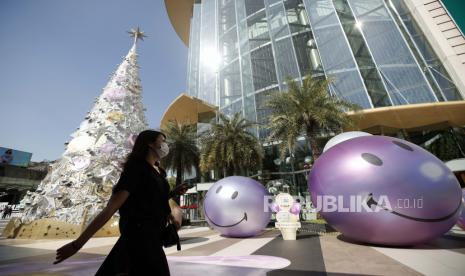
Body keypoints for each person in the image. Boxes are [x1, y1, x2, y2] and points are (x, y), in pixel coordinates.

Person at [54, 130, 185, 275]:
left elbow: (149, 200)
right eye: (162, 140)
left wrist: (172, 194)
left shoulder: (156, 172)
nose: (166, 145)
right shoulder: (135, 169)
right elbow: (111, 209)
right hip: (139, 242)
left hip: (152, 241)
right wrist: (77, 245)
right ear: (150, 143)